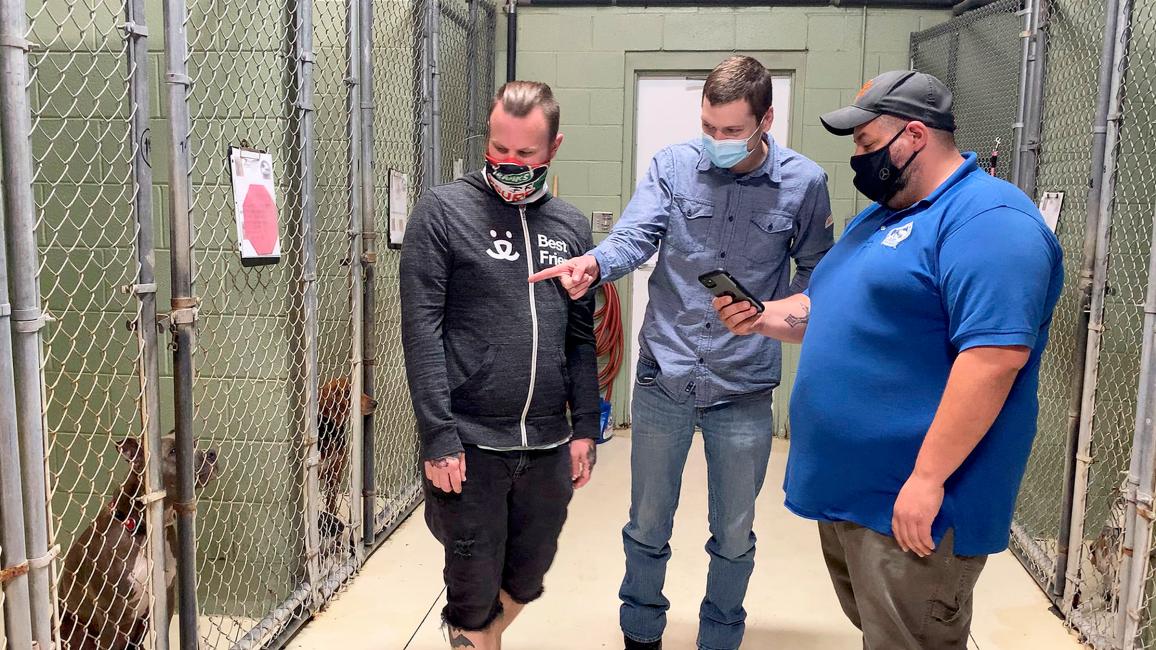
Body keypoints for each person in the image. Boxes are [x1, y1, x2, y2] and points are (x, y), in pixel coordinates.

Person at [713, 70, 1064, 649]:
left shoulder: (989, 221)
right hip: (857, 495)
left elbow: (994, 359)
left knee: (914, 638)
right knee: (886, 634)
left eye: (868, 144)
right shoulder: (883, 217)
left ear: (915, 135)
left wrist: (927, 480)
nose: (858, 158)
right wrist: (763, 315)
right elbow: (827, 307)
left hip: (916, 505)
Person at [530, 55, 834, 650]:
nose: (717, 142)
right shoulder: (672, 167)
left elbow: (819, 276)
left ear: (765, 119)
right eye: (709, 128)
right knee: (646, 525)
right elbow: (636, 234)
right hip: (664, 376)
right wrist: (595, 265)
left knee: (735, 534)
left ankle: (720, 637)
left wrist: (774, 315)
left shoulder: (805, 183)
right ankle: (640, 633)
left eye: (732, 131)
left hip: (743, 386)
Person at [400, 80, 601, 650]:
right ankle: (473, 638)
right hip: (470, 443)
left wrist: (585, 427)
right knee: (472, 585)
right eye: (500, 150)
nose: (511, 164)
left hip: (545, 441)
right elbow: (422, 332)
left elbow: (580, 338)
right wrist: (438, 437)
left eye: (525, 154)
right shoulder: (442, 213)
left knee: (529, 575)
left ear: (553, 148)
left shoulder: (570, 227)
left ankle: (472, 639)